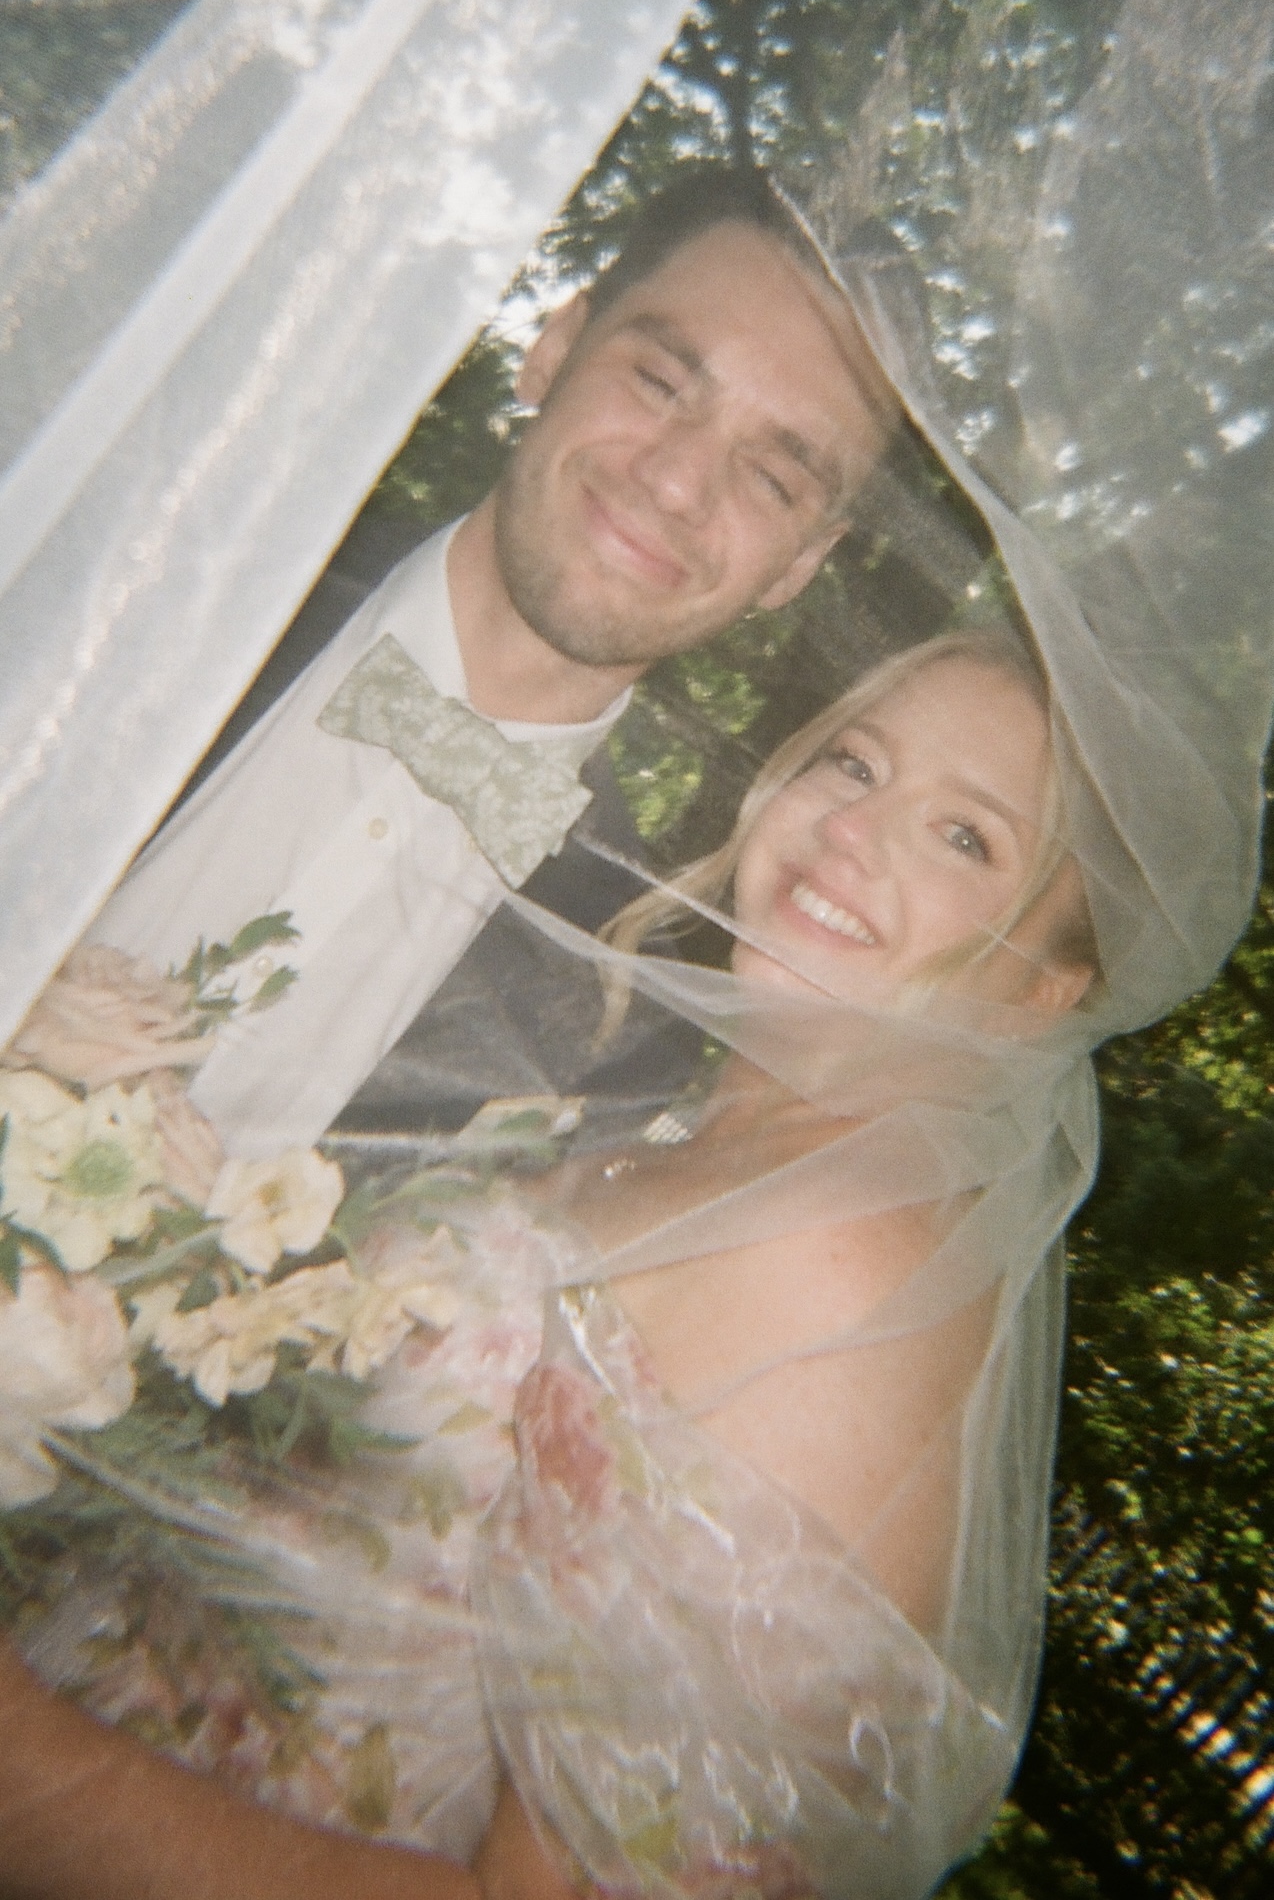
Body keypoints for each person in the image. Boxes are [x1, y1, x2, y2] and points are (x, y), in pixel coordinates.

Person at [0, 628, 1100, 1900]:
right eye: (852, 764)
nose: (856, 828)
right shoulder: (663, 1136)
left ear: (1042, 995)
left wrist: (31, 1768)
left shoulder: (840, 1261)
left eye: (963, 836)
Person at [84, 163, 896, 1161]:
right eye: (658, 382)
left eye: (771, 476)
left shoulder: (619, 1028)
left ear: (800, 564)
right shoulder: (137, 573)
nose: (679, 481)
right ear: (553, 351)